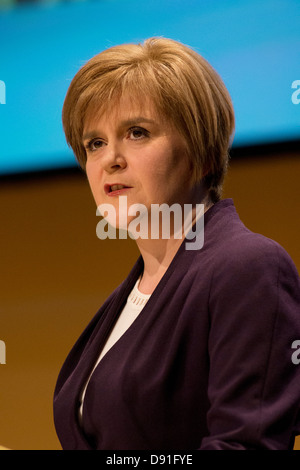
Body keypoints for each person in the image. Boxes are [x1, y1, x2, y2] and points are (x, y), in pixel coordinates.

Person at [53, 37, 300, 450]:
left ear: (201, 153)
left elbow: (245, 445)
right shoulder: (129, 296)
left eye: (137, 132)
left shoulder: (248, 268)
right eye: (94, 143)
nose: (110, 157)